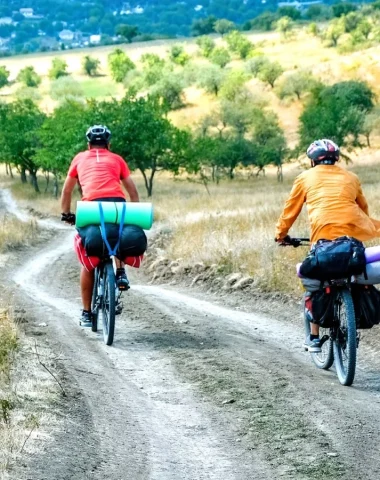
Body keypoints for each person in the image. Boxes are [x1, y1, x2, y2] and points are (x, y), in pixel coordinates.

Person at [275, 138, 380, 352]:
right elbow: (363, 208)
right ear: (337, 159)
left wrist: (281, 235)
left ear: (313, 161)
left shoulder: (304, 178)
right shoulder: (351, 177)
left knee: (314, 284)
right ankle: (354, 315)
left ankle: (313, 338)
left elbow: (290, 211)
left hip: (322, 241)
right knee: (357, 275)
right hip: (351, 242)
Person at [61, 125, 140, 327]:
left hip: (91, 208)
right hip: (116, 205)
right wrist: (134, 213)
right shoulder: (117, 159)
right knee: (118, 234)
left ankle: (87, 313)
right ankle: (120, 273)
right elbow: (132, 190)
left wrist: (66, 214)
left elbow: (67, 190)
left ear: (88, 144)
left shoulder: (79, 158)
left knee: (89, 258)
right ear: (109, 144)